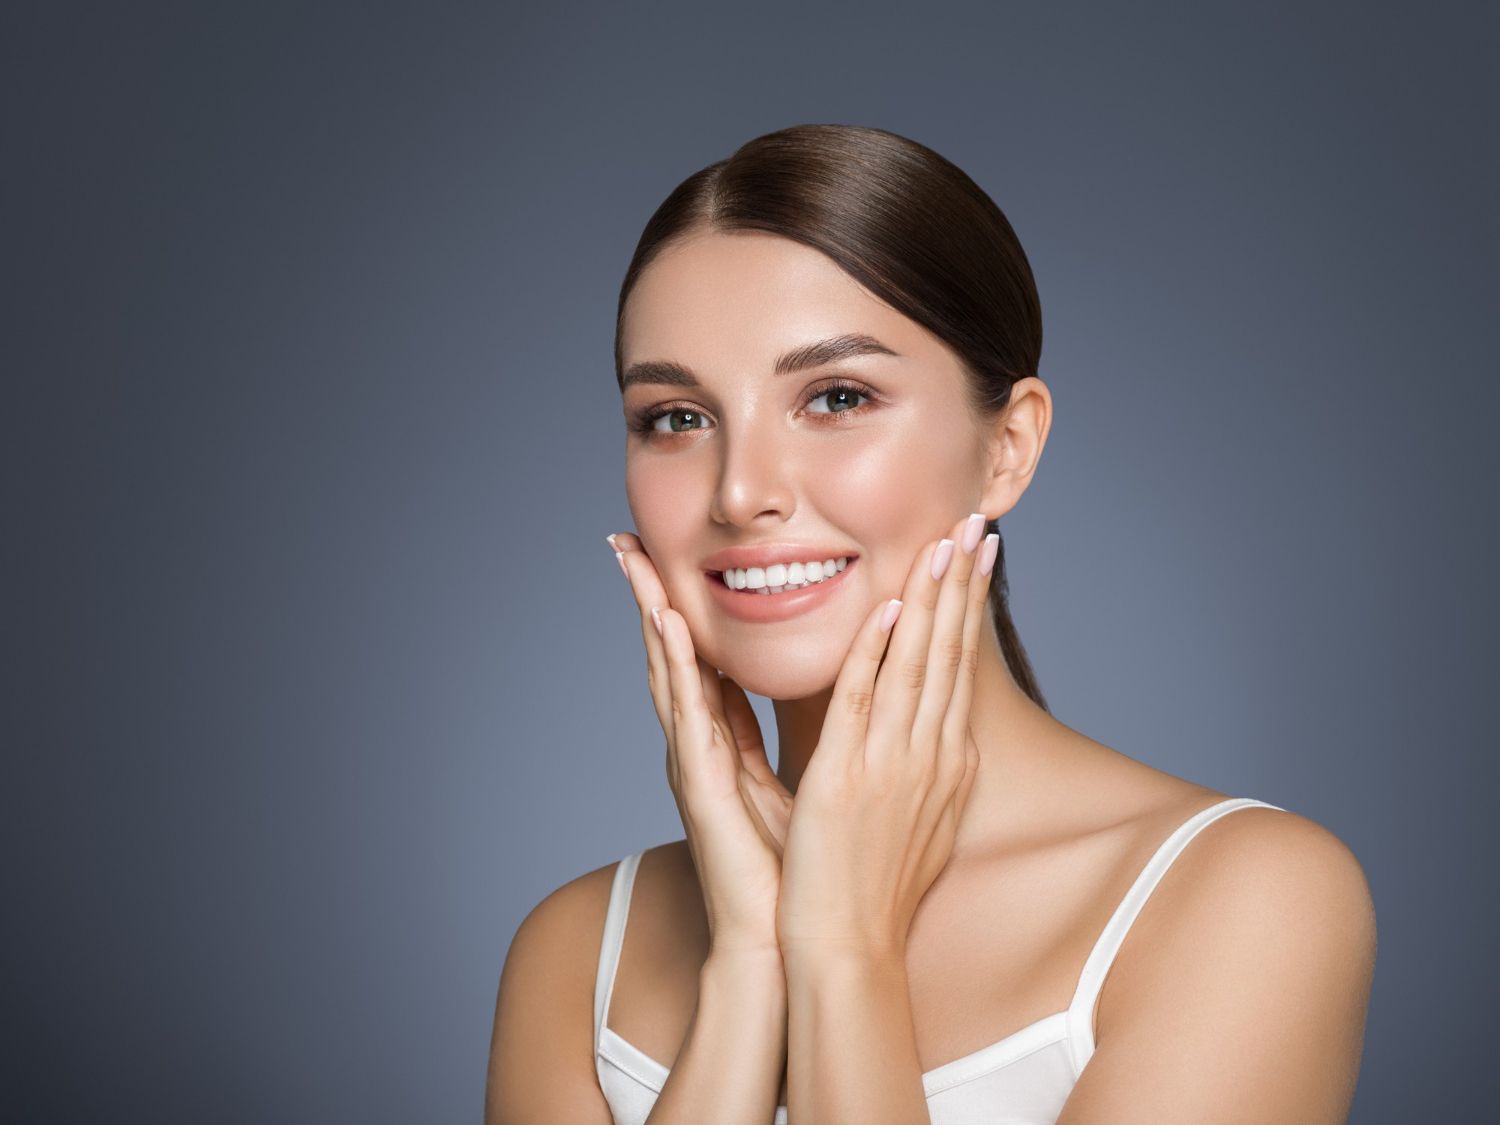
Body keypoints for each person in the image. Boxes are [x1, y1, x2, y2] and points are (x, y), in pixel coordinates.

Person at [485, 124, 1376, 1125]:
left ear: (1007, 447)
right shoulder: (575, 952)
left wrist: (845, 949)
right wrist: (749, 964)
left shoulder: (1243, 898)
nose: (739, 492)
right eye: (676, 418)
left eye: (836, 397)